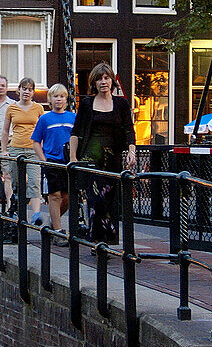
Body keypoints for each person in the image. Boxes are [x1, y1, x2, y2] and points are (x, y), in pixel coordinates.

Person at [68, 62, 136, 243]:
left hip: (112, 159)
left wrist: (131, 151)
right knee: (96, 200)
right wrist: (73, 158)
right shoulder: (87, 103)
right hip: (91, 158)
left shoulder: (121, 103)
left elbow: (129, 129)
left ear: (112, 81)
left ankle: (108, 240)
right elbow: (76, 131)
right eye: (99, 79)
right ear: (94, 83)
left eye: (106, 78)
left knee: (110, 201)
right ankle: (97, 241)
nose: (103, 82)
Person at [31, 84, 75, 231]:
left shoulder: (72, 117)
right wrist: (44, 159)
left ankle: (52, 219)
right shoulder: (45, 119)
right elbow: (36, 141)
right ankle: (57, 230)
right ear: (50, 99)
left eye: (62, 96)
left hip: (68, 161)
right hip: (52, 160)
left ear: (66, 100)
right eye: (55, 96)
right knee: (54, 194)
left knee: (68, 197)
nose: (59, 99)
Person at [0, 77, 44, 224]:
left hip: (33, 149)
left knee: (34, 181)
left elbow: (42, 130)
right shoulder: (11, 108)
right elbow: (6, 131)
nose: (26, 91)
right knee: (16, 183)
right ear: (18, 90)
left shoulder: (38, 108)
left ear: (33, 92)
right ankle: (17, 213)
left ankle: (36, 214)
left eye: (30, 89)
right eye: (24, 88)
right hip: (16, 147)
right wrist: (4, 150)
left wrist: (42, 150)